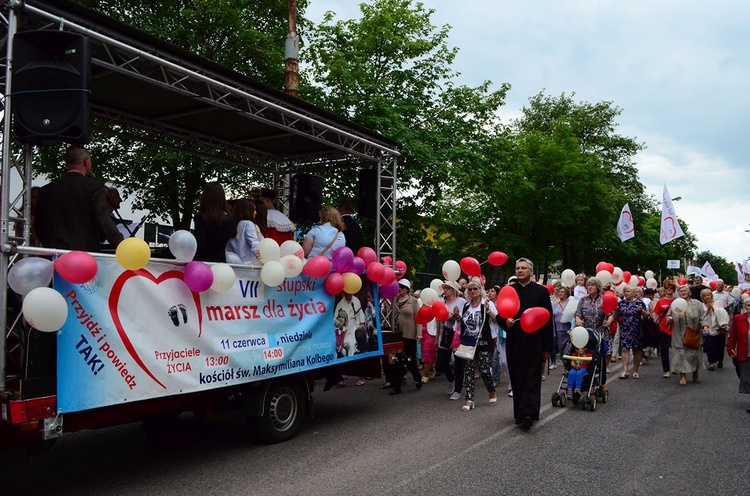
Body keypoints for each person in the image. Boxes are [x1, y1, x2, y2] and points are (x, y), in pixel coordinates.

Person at [35, 146, 124, 251]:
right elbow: (104, 221)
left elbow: (39, 227)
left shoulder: (46, 190)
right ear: (86, 162)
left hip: (54, 253)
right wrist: (122, 246)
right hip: (84, 255)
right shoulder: (94, 187)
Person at [505, 258, 554, 431]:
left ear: (531, 271)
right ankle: (519, 413)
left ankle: (529, 414)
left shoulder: (541, 291)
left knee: (532, 377)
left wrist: (548, 347)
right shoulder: (509, 290)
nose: (520, 271)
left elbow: (548, 320)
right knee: (517, 376)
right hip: (514, 341)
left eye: (524, 268)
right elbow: (502, 314)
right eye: (517, 268)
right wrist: (506, 322)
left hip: (534, 341)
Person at [454, 280, 498, 411]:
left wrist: (489, 311)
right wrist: (457, 317)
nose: (472, 291)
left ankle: (491, 390)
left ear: (480, 290)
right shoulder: (466, 306)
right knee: (468, 371)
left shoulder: (487, 304)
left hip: (485, 341)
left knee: (485, 370)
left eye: (475, 289)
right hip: (469, 341)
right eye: (470, 289)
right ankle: (469, 399)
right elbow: (462, 324)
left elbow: (497, 320)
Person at [666, 284, 708, 386]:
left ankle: (695, 372)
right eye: (681, 291)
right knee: (681, 355)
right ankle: (683, 376)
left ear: (689, 292)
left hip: (693, 333)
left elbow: (703, 317)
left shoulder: (697, 304)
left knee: (694, 355)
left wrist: (705, 326)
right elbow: (669, 315)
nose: (683, 293)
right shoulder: (675, 304)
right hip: (679, 334)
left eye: (685, 291)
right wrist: (670, 319)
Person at [389, 279, 422, 395]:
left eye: (402, 287)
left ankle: (417, 377)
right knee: (396, 360)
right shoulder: (394, 301)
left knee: (410, 360)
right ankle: (396, 386)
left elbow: (419, 318)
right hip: (397, 334)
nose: (400, 289)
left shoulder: (413, 301)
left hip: (409, 334)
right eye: (398, 286)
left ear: (407, 289)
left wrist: (419, 333)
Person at [575, 277, 615, 372]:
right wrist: (578, 320)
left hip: (600, 331)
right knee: (588, 354)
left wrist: (609, 320)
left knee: (604, 352)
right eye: (588, 285)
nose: (590, 287)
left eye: (592, 285)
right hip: (586, 332)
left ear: (597, 287)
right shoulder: (583, 300)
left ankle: (603, 370)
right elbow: (577, 314)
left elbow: (610, 314)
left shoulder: (603, 300)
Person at [436, 280, 466, 399]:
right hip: (445, 334)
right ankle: (451, 379)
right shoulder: (441, 302)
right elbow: (438, 320)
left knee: (459, 363)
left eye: (447, 288)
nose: (445, 290)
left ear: (454, 289)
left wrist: (457, 317)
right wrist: (437, 338)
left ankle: (458, 390)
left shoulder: (461, 302)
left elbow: (464, 319)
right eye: (444, 287)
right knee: (442, 362)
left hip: (457, 334)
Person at [612, 286, 649, 379]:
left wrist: (642, 311)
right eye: (624, 291)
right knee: (625, 349)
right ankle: (625, 370)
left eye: (628, 291)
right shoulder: (621, 303)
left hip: (636, 330)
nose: (626, 293)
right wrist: (616, 310)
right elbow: (616, 316)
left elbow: (646, 316)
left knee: (637, 350)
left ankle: (635, 370)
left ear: (633, 293)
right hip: (625, 329)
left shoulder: (639, 303)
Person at [194, 182, 233, 262]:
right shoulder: (229, 219)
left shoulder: (200, 218)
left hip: (202, 263)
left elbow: (201, 245)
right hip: (221, 262)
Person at [727, 298, 750, 413]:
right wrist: (730, 348)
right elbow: (733, 335)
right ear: (745, 307)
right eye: (749, 305)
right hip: (744, 353)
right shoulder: (738, 319)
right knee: (745, 378)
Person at [651, 279, 676, 378]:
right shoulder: (661, 301)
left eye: (671, 288)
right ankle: (666, 370)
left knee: (675, 349)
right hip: (663, 327)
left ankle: (675, 367)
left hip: (675, 328)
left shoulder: (677, 301)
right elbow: (656, 313)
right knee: (664, 349)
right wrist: (654, 322)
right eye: (666, 288)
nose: (669, 289)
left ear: (674, 290)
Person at [225, 199, 261, 265]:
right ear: (248, 211)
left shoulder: (230, 223)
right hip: (246, 266)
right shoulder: (248, 224)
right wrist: (263, 255)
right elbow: (254, 244)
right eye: (254, 209)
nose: (256, 212)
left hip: (230, 263)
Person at [700, 289, 729, 371]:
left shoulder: (718, 303)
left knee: (719, 345)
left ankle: (720, 360)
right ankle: (711, 363)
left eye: (708, 295)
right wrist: (708, 310)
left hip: (718, 327)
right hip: (708, 328)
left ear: (711, 295)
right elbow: (702, 316)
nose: (706, 297)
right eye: (704, 296)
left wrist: (713, 309)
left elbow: (722, 313)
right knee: (709, 346)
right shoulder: (702, 305)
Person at [712, 279, 734, 369]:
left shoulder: (726, 294)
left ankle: (720, 359)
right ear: (716, 286)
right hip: (713, 316)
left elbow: (732, 301)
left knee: (722, 335)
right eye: (718, 285)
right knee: (713, 338)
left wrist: (727, 306)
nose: (720, 286)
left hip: (724, 314)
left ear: (723, 286)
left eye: (721, 285)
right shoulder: (712, 294)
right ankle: (712, 359)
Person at [552, 286, 573, 366]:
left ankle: (569, 366)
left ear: (567, 294)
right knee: (561, 350)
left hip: (568, 329)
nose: (560, 293)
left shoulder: (570, 303)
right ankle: (565, 364)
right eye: (559, 292)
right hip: (558, 330)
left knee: (568, 350)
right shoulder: (555, 305)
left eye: (562, 292)